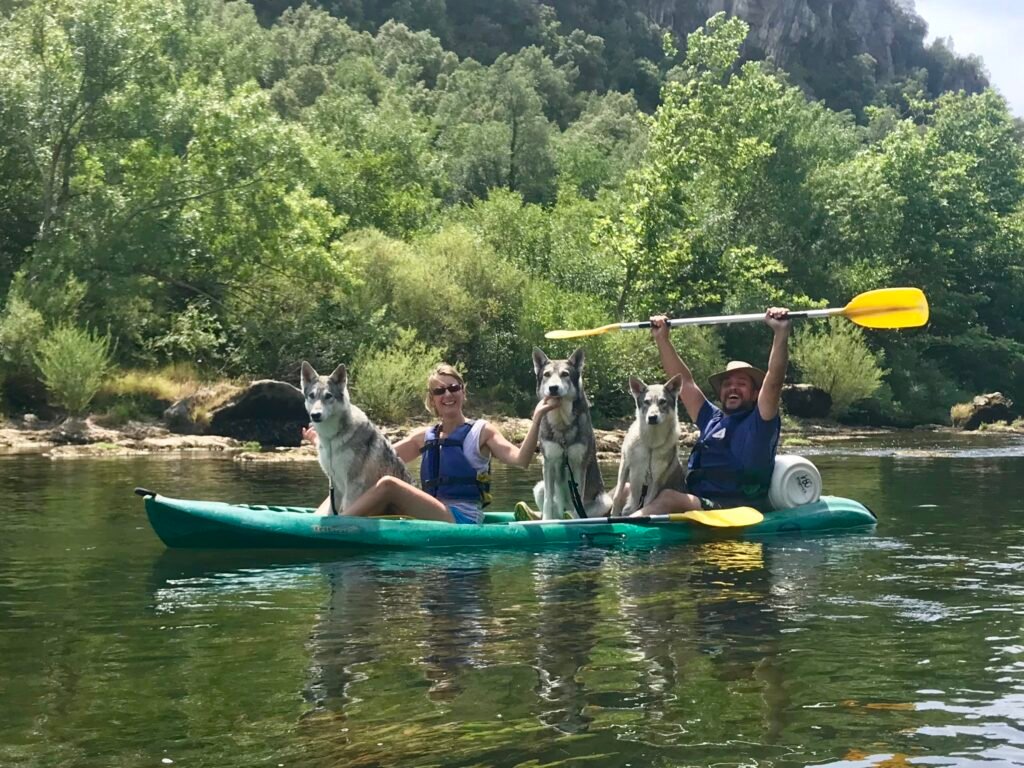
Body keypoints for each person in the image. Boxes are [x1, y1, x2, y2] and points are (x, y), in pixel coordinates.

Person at [304, 364, 559, 523]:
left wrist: (537, 419)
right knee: (352, 483)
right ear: (432, 400)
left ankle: (336, 527)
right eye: (439, 392)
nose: (447, 395)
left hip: (461, 519)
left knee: (389, 485)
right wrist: (327, 441)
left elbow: (521, 460)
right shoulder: (423, 437)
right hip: (426, 514)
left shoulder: (482, 432)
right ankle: (313, 523)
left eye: (453, 388)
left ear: (463, 391)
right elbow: (370, 457)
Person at [634, 308, 791, 515]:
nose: (733, 387)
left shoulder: (760, 421)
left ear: (755, 394)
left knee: (668, 497)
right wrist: (662, 339)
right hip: (698, 499)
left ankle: (623, 534)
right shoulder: (712, 418)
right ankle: (596, 523)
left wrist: (781, 334)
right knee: (630, 487)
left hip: (734, 507)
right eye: (727, 384)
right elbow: (686, 382)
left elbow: (774, 381)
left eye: (741, 383)